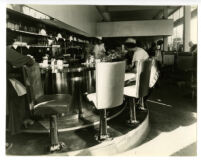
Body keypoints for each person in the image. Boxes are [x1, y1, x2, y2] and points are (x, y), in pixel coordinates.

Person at [6, 35, 35, 150]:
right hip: (6, 82)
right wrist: (28, 58)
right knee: (19, 96)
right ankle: (15, 131)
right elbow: (27, 61)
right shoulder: (5, 50)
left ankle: (19, 123)